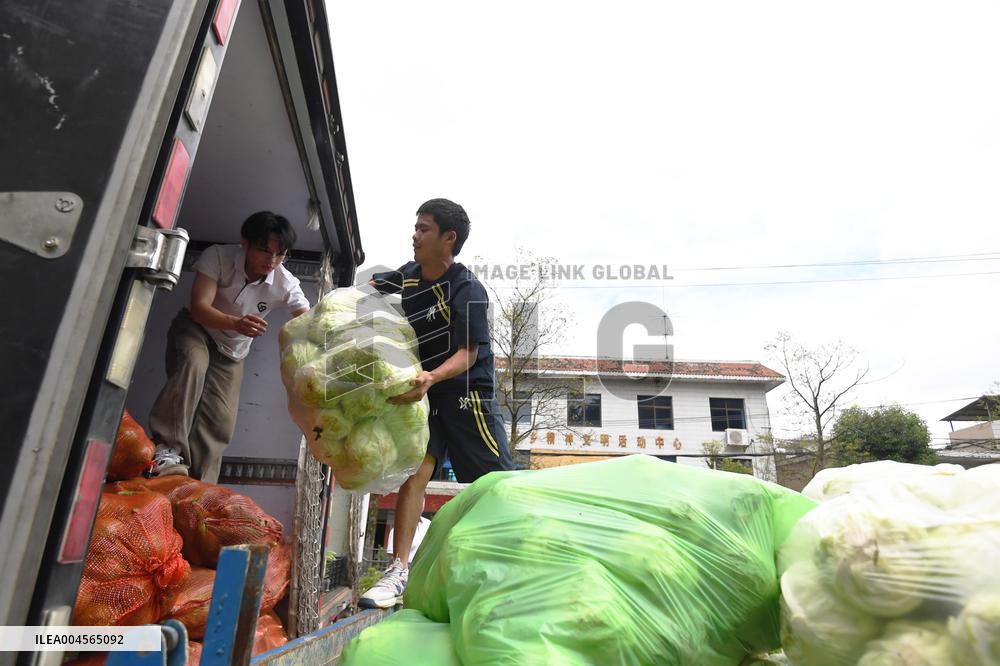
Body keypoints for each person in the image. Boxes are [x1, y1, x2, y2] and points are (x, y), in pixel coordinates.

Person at [361, 198, 515, 608]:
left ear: (449, 238)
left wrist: (431, 377)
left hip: (466, 392)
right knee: (415, 473)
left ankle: (516, 560)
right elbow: (366, 292)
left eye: (424, 229)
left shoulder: (468, 289)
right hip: (423, 393)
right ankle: (398, 572)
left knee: (496, 482)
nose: (415, 235)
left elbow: (468, 352)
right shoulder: (408, 276)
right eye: (416, 227)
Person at [148, 211, 310, 482]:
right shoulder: (217, 257)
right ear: (245, 243)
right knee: (193, 364)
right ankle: (166, 450)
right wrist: (236, 323)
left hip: (232, 352)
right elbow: (200, 308)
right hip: (196, 329)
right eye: (264, 250)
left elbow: (309, 320)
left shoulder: (286, 282)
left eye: (280, 254)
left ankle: (201, 487)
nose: (272, 261)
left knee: (221, 421)